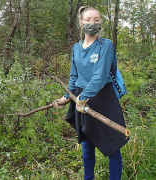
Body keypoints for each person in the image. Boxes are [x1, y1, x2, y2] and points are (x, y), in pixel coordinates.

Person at [53, 6, 129, 180]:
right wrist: (66, 97)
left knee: (113, 147)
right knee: (87, 147)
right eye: (88, 20)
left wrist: (84, 97)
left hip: (103, 98)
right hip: (80, 98)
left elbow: (100, 75)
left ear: (100, 22)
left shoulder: (106, 45)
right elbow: (74, 75)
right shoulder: (76, 48)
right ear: (81, 23)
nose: (92, 23)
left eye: (96, 20)